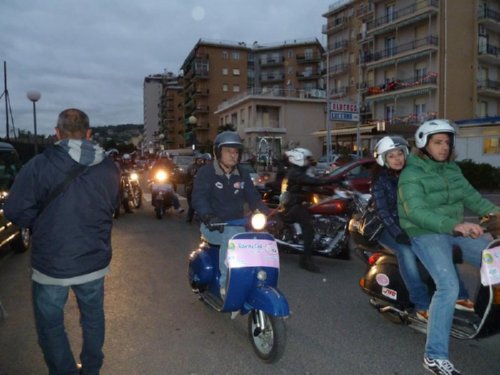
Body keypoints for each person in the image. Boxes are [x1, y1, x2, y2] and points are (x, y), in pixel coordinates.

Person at [4, 108, 120, 374]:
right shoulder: (109, 166)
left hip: (51, 265)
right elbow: (113, 204)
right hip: (94, 260)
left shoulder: (39, 165)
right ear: (88, 134)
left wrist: (40, 222)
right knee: (92, 317)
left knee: (50, 324)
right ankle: (91, 369)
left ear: (57, 134)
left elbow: (14, 211)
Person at [397, 119, 500, 375]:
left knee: (496, 261)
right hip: (425, 232)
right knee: (449, 286)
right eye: (438, 142)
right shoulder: (411, 174)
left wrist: (496, 214)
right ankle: (434, 356)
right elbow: (417, 212)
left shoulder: (452, 170)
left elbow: (473, 198)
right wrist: (455, 226)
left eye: (447, 142)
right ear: (424, 144)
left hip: (454, 229)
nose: (444, 147)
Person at [372, 136, 471, 323]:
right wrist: (398, 234)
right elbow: (383, 212)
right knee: (407, 252)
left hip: (413, 225)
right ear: (384, 160)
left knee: (442, 246)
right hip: (389, 228)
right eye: (391, 156)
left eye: (400, 153)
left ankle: (459, 295)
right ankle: (421, 305)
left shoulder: (415, 173)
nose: (397, 158)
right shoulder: (380, 181)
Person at [191, 131, 269, 297]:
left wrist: (269, 214)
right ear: (218, 152)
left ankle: (258, 280)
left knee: (263, 238)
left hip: (239, 224)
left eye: (236, 152)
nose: (233, 156)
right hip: (213, 226)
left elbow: (254, 197)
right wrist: (208, 216)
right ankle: (226, 286)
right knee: (233, 236)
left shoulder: (242, 173)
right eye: (228, 151)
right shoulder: (206, 173)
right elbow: (198, 198)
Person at [282, 147, 331, 273]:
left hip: (300, 203)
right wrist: (331, 179)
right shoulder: (295, 172)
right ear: (299, 158)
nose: (309, 161)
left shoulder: (301, 171)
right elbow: (312, 181)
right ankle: (305, 260)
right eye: (307, 159)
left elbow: (311, 185)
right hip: (294, 205)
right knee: (309, 228)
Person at [185, 153, 206, 223]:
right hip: (193, 185)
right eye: (198, 159)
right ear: (196, 160)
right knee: (192, 202)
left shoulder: (205, 167)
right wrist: (187, 184)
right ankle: (189, 217)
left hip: (203, 186)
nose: (200, 161)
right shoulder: (191, 167)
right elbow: (187, 176)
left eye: (201, 159)